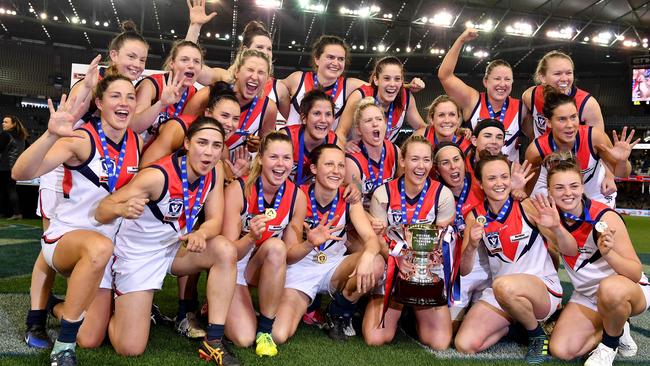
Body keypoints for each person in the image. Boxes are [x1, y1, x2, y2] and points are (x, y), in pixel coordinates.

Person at [23, 24, 149, 350]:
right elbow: (24, 170)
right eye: (130, 56)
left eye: (142, 59)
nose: (136, 63)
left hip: (102, 205)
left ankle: (61, 307)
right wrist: (52, 133)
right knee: (50, 251)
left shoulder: (133, 135)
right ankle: (38, 318)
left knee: (92, 337)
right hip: (69, 161)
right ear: (113, 56)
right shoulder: (89, 84)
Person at [92, 116, 239, 364]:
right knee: (130, 348)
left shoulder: (214, 171)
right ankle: (113, 304)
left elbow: (215, 220)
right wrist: (121, 210)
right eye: (203, 143)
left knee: (225, 250)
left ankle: (214, 341)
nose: (210, 152)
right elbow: (102, 209)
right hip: (137, 256)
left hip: (173, 249)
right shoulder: (156, 176)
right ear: (188, 143)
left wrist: (201, 233)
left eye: (216, 146)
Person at [455, 152, 572, 364]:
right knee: (465, 344)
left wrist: (555, 228)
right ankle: (521, 327)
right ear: (480, 184)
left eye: (504, 176)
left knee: (503, 285)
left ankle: (536, 336)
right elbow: (464, 270)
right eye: (491, 178)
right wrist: (471, 245)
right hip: (503, 294)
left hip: (542, 289)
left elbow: (565, 249)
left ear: (511, 179)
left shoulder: (527, 205)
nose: (499, 183)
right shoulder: (475, 216)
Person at [541, 152, 647, 366]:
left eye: (573, 186)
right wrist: (554, 228)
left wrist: (609, 254)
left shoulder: (605, 216)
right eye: (559, 188)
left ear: (582, 187)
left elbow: (635, 273)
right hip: (588, 296)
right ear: (550, 191)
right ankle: (617, 326)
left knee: (610, 289)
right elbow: (567, 250)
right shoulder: (550, 219)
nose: (567, 193)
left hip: (626, 289)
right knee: (562, 350)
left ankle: (609, 346)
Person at [272, 144, 384, 343]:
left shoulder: (349, 197)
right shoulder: (297, 196)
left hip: (333, 267)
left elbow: (370, 239)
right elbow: (289, 255)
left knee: (375, 263)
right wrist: (310, 243)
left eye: (341, 166)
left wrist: (367, 256)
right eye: (329, 164)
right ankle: (307, 304)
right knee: (279, 335)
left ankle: (337, 313)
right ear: (314, 168)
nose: (336, 171)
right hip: (300, 269)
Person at [362, 135, 455, 350]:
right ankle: (391, 303)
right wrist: (397, 259)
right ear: (402, 160)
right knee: (375, 338)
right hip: (393, 265)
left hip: (426, 268)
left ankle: (411, 315)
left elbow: (442, 240)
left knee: (439, 343)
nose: (420, 166)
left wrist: (428, 261)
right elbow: (379, 238)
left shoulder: (443, 195)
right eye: (414, 159)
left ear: (431, 163)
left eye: (426, 160)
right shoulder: (383, 193)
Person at [222, 132, 305, 357]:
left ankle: (266, 330)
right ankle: (219, 300)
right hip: (236, 264)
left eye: (286, 158)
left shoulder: (296, 196)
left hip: (265, 264)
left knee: (277, 248)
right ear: (260, 158)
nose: (280, 165)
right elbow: (228, 253)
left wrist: (312, 243)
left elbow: (289, 254)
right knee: (243, 338)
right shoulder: (238, 190)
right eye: (274, 157)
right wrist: (250, 237)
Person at [525, 88, 637, 208]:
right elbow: (528, 190)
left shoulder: (594, 137)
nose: (570, 125)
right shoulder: (536, 150)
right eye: (562, 119)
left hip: (595, 191)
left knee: (606, 225)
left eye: (573, 117)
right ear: (549, 123)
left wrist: (622, 161)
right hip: (561, 193)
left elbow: (623, 174)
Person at [438, 28, 523, 161]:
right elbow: (445, 76)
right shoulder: (472, 100)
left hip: (506, 176)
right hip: (473, 176)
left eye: (507, 79)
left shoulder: (522, 108)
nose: (502, 84)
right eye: (497, 79)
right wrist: (461, 40)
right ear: (485, 81)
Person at [433, 142, 487, 328]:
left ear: (464, 162)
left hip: (484, 262)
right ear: (437, 170)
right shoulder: (433, 191)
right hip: (450, 266)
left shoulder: (482, 184)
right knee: (449, 331)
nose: (453, 166)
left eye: (457, 160)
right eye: (446, 163)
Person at [185, 49, 277, 153]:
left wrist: (256, 147)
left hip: (232, 166)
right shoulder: (208, 95)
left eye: (261, 72)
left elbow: (266, 151)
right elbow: (181, 131)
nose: (255, 77)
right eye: (250, 70)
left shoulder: (268, 108)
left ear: (267, 79)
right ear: (237, 72)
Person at [336, 56, 427, 144]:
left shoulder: (406, 98)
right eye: (386, 78)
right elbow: (340, 132)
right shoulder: (360, 96)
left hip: (384, 155)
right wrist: (344, 146)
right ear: (376, 80)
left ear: (402, 81)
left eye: (397, 79)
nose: (392, 84)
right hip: (356, 155)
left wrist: (406, 149)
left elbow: (423, 128)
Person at [133, 40, 203, 143]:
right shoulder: (151, 85)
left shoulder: (195, 94)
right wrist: (161, 104)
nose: (191, 65)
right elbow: (133, 127)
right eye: (184, 60)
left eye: (196, 61)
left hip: (167, 155)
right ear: (172, 63)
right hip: (139, 151)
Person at [522, 50, 604, 138]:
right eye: (557, 73)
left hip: (574, 151)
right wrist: (539, 145)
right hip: (542, 151)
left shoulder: (588, 104)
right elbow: (528, 131)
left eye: (569, 73)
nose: (564, 79)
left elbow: (598, 142)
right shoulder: (531, 96)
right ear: (542, 78)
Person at [345, 97, 401, 210]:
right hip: (364, 216)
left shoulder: (395, 151)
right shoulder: (352, 161)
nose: (375, 124)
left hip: (388, 214)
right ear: (358, 130)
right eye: (368, 120)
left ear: (385, 124)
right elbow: (354, 205)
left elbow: (402, 189)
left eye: (379, 119)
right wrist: (373, 220)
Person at [280, 89, 339, 185]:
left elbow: (343, 179)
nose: (323, 120)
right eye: (317, 113)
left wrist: (352, 186)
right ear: (304, 118)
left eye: (328, 114)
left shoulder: (335, 143)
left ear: (333, 119)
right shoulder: (286, 138)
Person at [422, 95, 473, 160]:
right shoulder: (423, 136)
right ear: (432, 119)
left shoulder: (466, 146)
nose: (447, 120)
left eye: (452, 114)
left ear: (458, 119)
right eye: (441, 115)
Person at [0, 115, 29, 219]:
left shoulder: (5, 134)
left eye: (6, 122)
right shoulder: (22, 137)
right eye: (3, 122)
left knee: (6, 190)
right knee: (10, 189)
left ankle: (13, 213)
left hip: (4, 166)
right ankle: (15, 213)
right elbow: (29, 150)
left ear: (13, 124)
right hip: (15, 167)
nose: (3, 123)